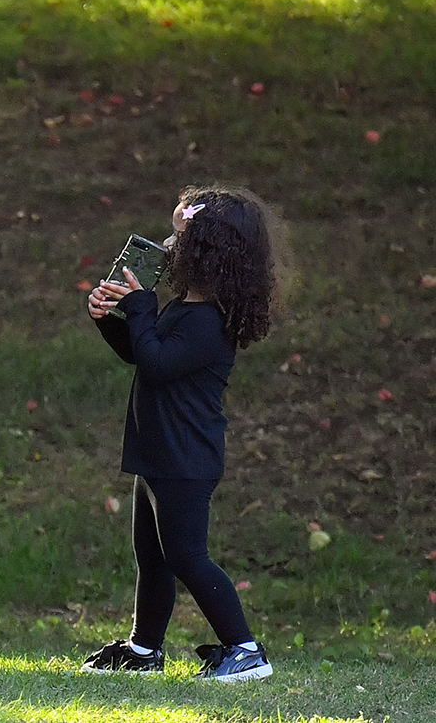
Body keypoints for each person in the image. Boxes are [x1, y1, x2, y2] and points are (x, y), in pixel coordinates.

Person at [81, 184, 287, 683]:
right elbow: (141, 353)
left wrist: (141, 307)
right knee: (152, 558)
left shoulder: (208, 324)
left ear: (207, 255)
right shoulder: (183, 311)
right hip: (158, 453)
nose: (168, 249)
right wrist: (111, 319)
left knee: (187, 556)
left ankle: (246, 651)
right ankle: (143, 649)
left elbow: (156, 362)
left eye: (179, 241)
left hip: (184, 459)